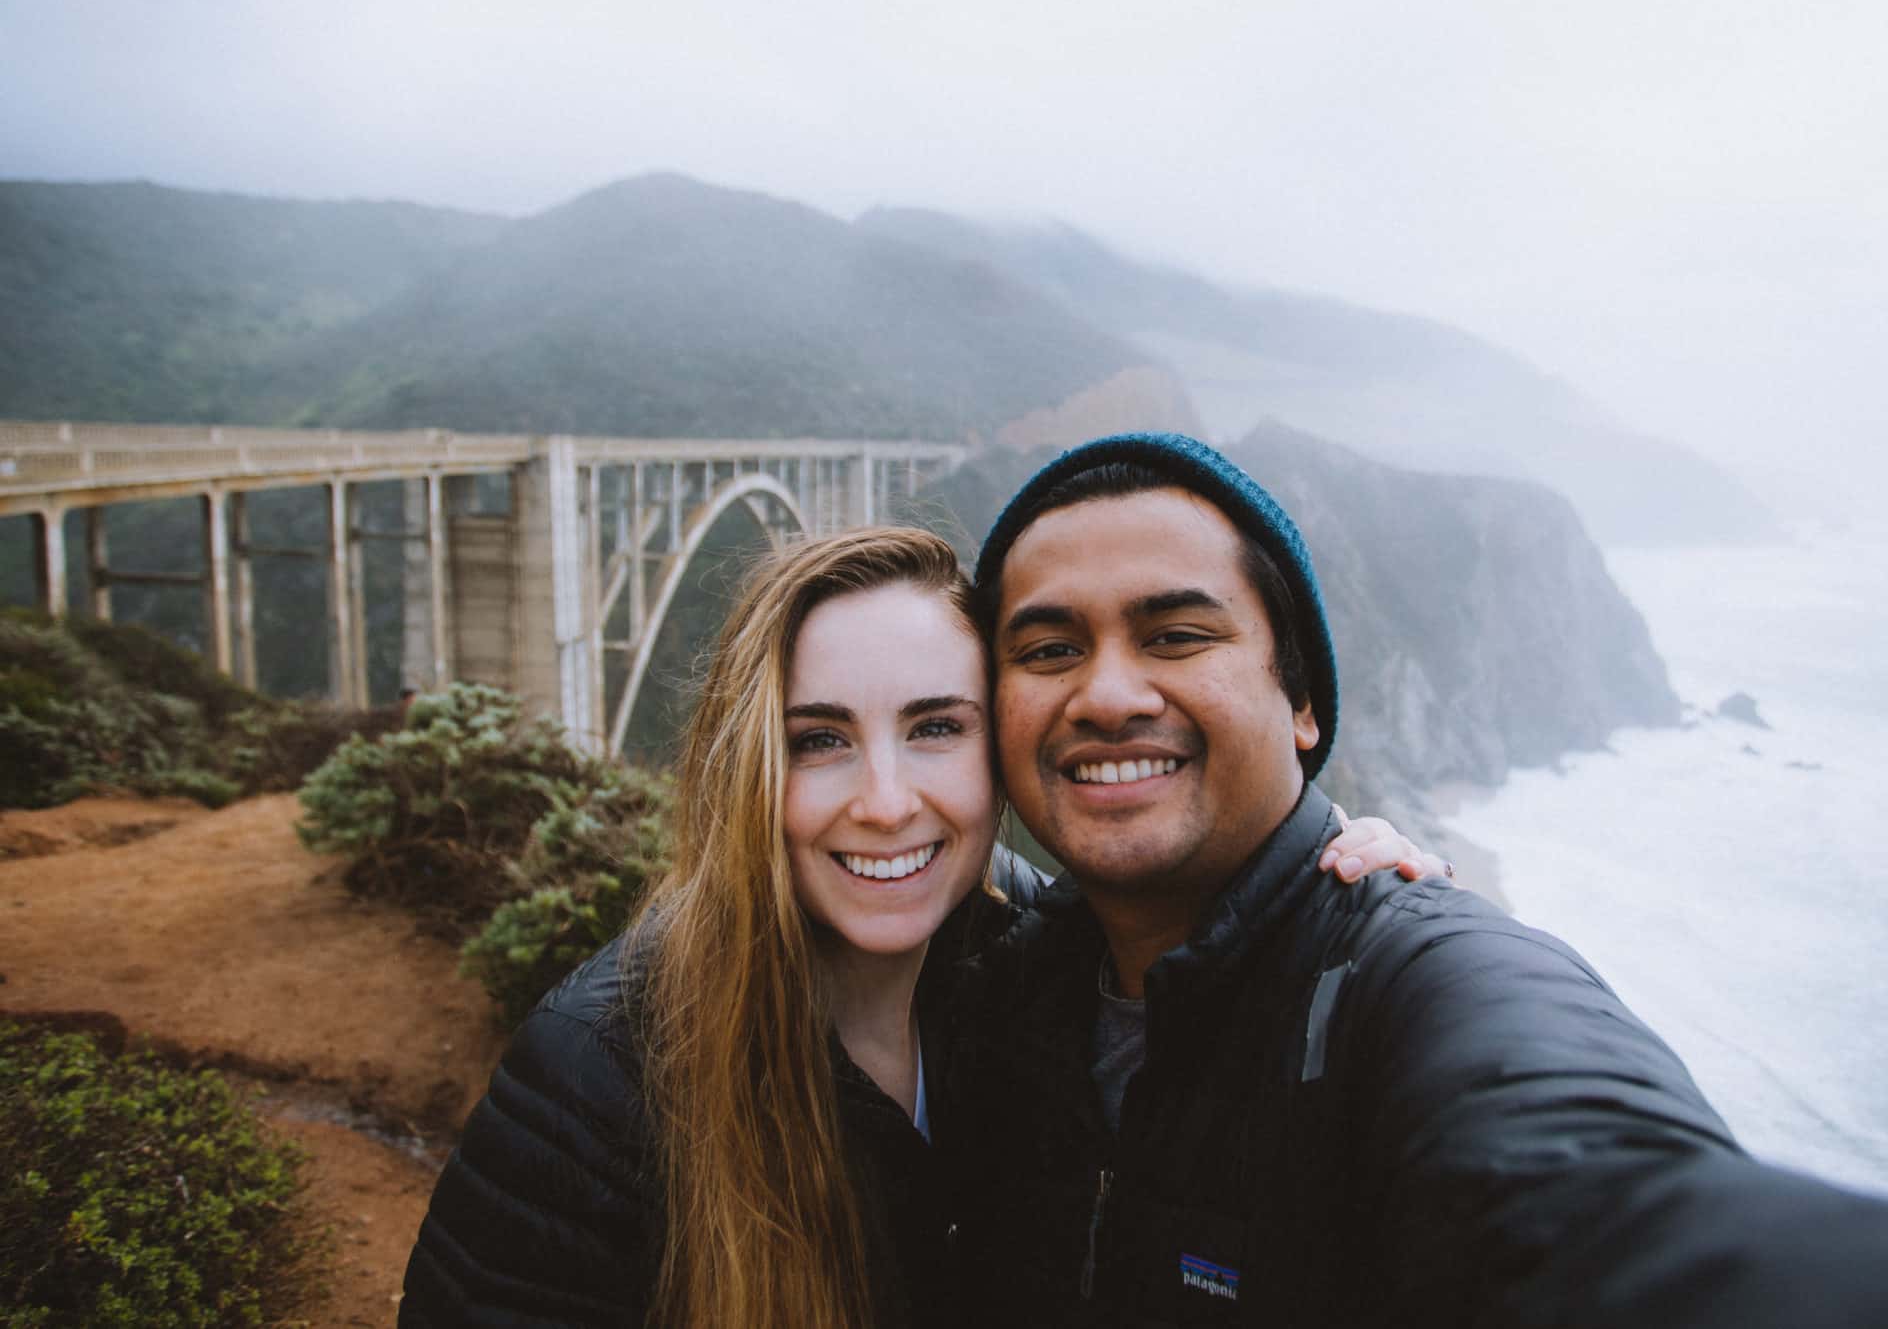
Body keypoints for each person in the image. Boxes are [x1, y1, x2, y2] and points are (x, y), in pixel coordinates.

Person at [942, 431, 1888, 1328]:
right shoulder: (983, 963)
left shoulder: (1414, 980)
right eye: (1045, 652)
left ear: (1302, 702)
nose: (1105, 695)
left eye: (1178, 635)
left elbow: (1599, 1191)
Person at [397, 525, 1441, 1328]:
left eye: (936, 727)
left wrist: (1324, 884)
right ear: (743, 770)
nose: (887, 801)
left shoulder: (1040, 962)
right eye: (817, 741)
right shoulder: (598, 1089)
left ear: (1003, 744)